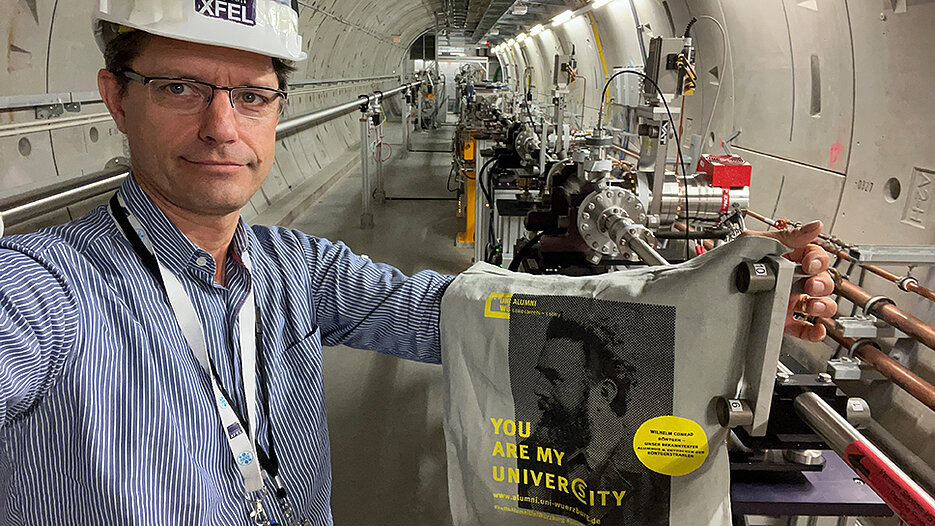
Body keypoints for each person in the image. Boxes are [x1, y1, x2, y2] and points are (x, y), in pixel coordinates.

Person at [0, 1, 836, 524]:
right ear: (117, 97)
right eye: (181, 88)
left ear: (276, 110)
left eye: (251, 96)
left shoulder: (297, 269)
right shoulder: (42, 290)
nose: (222, 125)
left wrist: (735, 303)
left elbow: (469, 312)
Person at [518, 313, 668, 526]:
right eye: (541, 375)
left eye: (554, 377)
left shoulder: (657, 480)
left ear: (605, 393)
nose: (538, 389)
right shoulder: (525, 458)